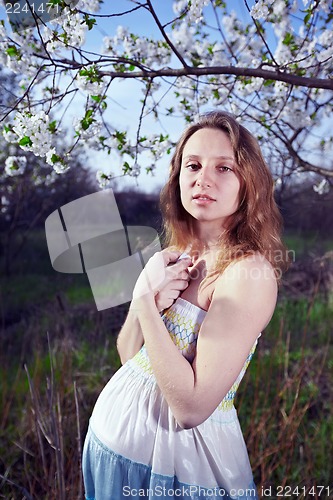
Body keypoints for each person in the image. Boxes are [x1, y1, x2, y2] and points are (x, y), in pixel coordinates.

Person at [82, 111, 288, 499]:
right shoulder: (175, 253)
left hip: (178, 471)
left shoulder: (247, 275)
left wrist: (144, 299)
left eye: (224, 167)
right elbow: (130, 353)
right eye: (192, 165)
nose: (202, 179)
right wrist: (150, 299)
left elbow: (191, 409)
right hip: (112, 452)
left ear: (249, 183)